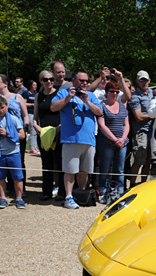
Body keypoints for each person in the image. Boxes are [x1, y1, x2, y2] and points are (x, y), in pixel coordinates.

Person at [50, 69, 103, 209]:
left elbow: (99, 112)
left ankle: (81, 194)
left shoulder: (91, 95)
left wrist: (87, 101)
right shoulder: (63, 93)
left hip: (88, 140)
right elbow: (53, 107)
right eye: (82, 80)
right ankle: (68, 197)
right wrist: (68, 97)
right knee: (70, 170)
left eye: (87, 81)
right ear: (73, 80)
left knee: (84, 171)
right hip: (71, 139)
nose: (85, 83)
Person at [0, 95, 26, 209]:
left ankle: (19, 198)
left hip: (14, 152)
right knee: (0, 177)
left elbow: (22, 135)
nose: (1, 110)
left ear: (7, 106)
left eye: (2, 107)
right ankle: (3, 198)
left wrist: (8, 133)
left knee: (17, 177)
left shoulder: (14, 119)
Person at [97, 81, 129, 204]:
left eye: (116, 92)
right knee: (105, 167)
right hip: (106, 142)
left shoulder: (122, 106)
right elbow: (102, 125)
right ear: (106, 92)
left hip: (122, 142)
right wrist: (114, 139)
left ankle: (119, 191)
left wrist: (122, 138)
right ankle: (103, 191)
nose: (114, 94)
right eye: (112, 91)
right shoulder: (101, 106)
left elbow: (126, 124)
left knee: (120, 169)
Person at [33, 70, 62, 200]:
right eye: (45, 79)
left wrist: (59, 128)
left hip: (58, 131)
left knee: (59, 163)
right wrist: (36, 126)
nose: (49, 81)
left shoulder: (59, 94)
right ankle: (46, 192)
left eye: (51, 79)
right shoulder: (38, 96)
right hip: (43, 132)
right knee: (46, 163)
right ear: (41, 81)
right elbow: (35, 116)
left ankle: (61, 192)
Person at [128, 70, 154, 186]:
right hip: (141, 131)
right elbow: (138, 116)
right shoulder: (135, 97)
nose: (144, 82)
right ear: (137, 81)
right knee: (139, 160)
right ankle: (132, 185)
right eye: (141, 80)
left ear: (149, 81)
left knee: (149, 161)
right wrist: (154, 114)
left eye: (146, 80)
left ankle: (144, 185)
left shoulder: (153, 93)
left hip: (153, 131)